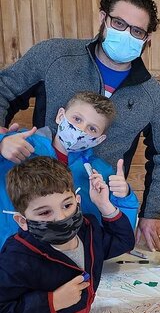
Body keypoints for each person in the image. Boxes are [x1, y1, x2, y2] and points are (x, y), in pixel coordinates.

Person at [0, 0, 160, 252]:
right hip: (35, 199)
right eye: (119, 22)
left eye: (137, 31)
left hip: (96, 207)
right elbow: (5, 89)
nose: (126, 34)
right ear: (103, 18)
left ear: (147, 38)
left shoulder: (152, 96)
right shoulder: (54, 56)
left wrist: (150, 213)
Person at [0, 156, 135, 313]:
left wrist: (104, 205)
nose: (61, 218)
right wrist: (52, 301)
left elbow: (124, 241)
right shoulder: (16, 259)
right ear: (22, 221)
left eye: (67, 205)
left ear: (77, 201)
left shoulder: (87, 229)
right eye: (44, 212)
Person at [0, 91, 139, 249]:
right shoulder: (21, 145)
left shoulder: (100, 172)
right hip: (9, 254)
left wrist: (124, 197)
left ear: (100, 139)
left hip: (68, 259)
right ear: (61, 116)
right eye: (77, 119)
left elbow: (123, 235)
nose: (81, 130)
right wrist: (1, 144)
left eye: (92, 129)